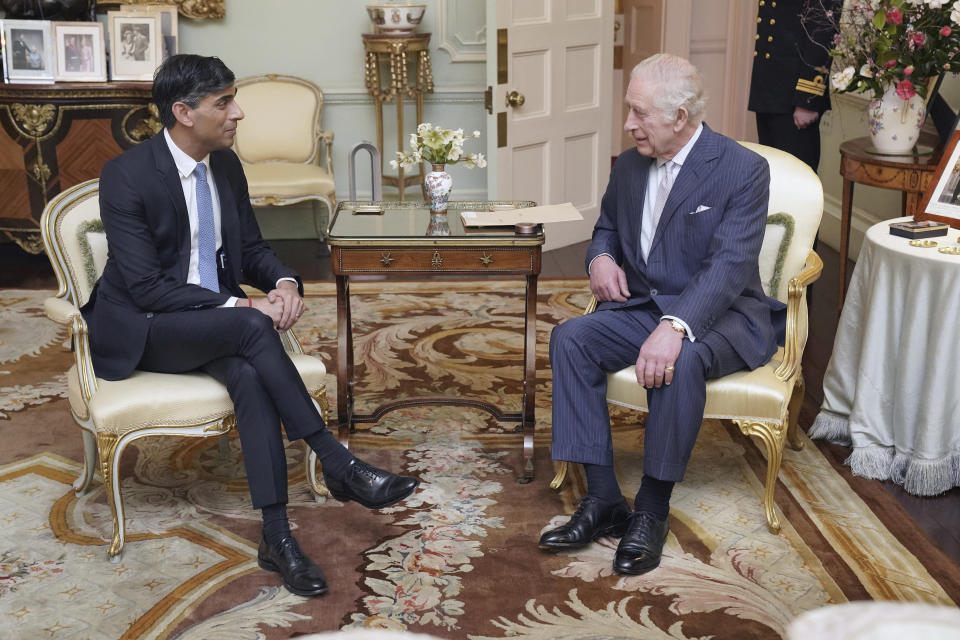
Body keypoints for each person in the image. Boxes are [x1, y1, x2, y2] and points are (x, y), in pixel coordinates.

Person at [84, 54, 419, 597]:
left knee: (247, 372)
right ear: (184, 112)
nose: (238, 113)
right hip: (147, 327)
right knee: (249, 327)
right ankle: (336, 462)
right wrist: (241, 307)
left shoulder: (227, 165)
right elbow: (145, 287)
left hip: (210, 324)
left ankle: (276, 536)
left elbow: (252, 251)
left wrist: (285, 283)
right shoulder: (127, 174)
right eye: (224, 103)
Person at [539, 54, 784, 576]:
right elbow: (606, 226)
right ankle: (604, 499)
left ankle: (651, 509)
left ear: (680, 116)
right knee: (571, 339)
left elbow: (729, 266)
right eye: (629, 111)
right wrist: (601, 257)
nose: (627, 124)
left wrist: (675, 328)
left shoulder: (741, 169)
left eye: (639, 113)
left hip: (723, 315)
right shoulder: (629, 164)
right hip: (645, 305)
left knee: (682, 358)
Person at [748, 0, 840, 171]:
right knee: (772, 179)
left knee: (796, 180)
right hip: (769, 90)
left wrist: (808, 98)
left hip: (795, 96)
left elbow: (822, 29)